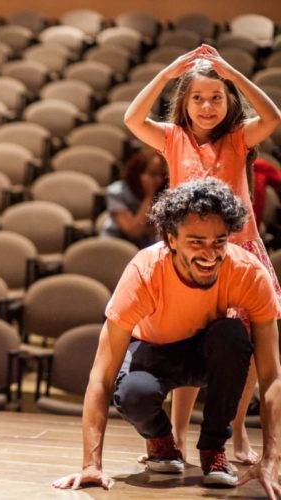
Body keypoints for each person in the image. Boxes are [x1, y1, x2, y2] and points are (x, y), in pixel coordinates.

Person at [53, 179, 281, 494]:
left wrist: (272, 459)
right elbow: (101, 376)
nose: (210, 254)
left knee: (232, 334)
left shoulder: (248, 272)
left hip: (206, 350)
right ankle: (161, 442)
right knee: (133, 393)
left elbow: (271, 376)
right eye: (196, 242)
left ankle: (213, 448)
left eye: (219, 241)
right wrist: (91, 465)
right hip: (152, 350)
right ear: (172, 239)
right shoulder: (145, 271)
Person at [123, 43, 281, 464]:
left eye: (215, 97)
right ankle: (176, 434)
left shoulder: (238, 137)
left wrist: (231, 74)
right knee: (187, 337)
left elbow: (273, 118)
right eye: (197, 98)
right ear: (185, 102)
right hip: (188, 255)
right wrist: (167, 73)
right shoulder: (173, 137)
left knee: (243, 347)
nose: (207, 106)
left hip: (238, 252)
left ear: (228, 101)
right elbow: (132, 119)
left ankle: (237, 433)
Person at [102, 150, 167, 248]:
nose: (158, 180)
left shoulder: (164, 194)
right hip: (116, 245)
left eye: (161, 175)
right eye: (153, 174)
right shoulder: (116, 192)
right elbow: (133, 231)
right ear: (137, 173)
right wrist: (149, 196)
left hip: (147, 247)